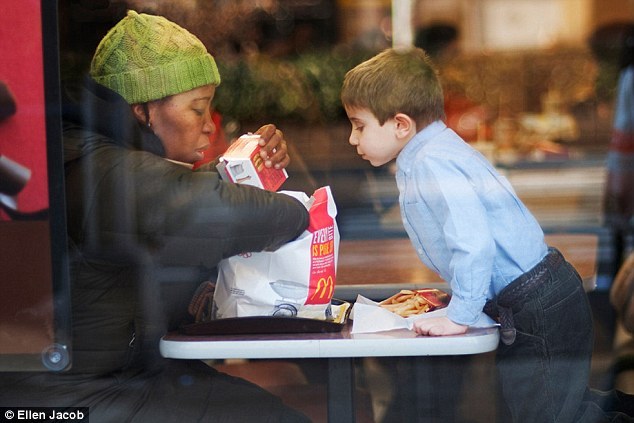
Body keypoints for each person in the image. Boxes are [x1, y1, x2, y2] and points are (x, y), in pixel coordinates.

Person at [0, 10, 311, 422]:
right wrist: (301, 211)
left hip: (122, 380)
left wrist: (250, 173)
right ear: (142, 111)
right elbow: (203, 210)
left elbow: (175, 208)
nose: (208, 125)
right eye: (197, 109)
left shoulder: (105, 160)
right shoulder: (100, 171)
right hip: (72, 400)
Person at [340, 47, 634, 422]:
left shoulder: (433, 162)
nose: (352, 138)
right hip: (540, 297)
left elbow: (472, 242)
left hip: (535, 306)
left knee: (549, 416)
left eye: (359, 125)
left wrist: (460, 314)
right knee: (562, 408)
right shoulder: (432, 154)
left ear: (401, 124)